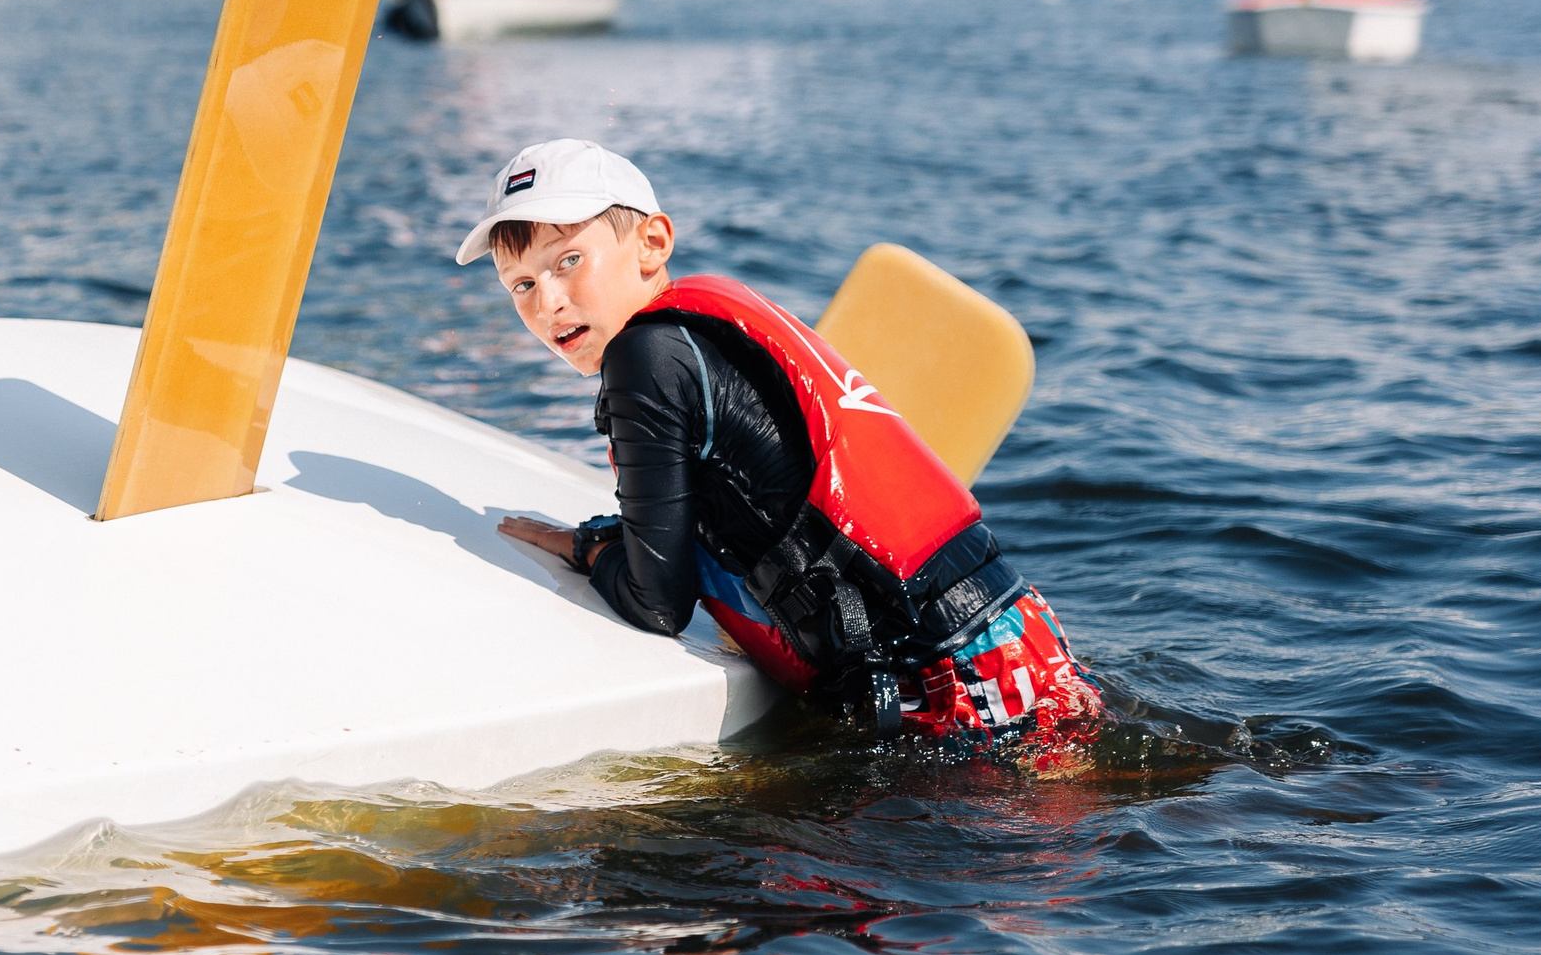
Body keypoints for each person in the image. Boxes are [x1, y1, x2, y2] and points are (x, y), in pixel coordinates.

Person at [460, 139, 1101, 744]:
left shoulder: (643, 358)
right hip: (1019, 639)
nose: (547, 302)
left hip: (941, 683)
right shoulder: (700, 331)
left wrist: (588, 549)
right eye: (521, 284)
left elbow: (658, 604)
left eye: (568, 261)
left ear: (652, 243)